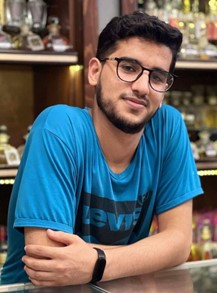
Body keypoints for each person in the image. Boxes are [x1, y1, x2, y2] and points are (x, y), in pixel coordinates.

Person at [1, 11, 203, 287]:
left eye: (157, 76)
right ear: (95, 71)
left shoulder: (168, 126)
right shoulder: (59, 127)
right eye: (128, 67)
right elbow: (51, 264)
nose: (142, 87)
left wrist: (95, 262)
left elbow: (179, 243)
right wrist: (145, 254)